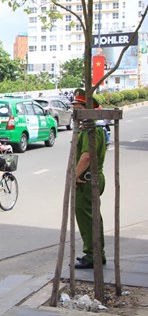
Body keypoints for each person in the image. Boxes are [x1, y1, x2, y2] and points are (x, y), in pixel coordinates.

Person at [71, 92, 107, 269]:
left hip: (86, 180)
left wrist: (74, 176)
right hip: (92, 178)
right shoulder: (94, 128)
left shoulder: (91, 130)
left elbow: (87, 156)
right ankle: (98, 253)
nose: (74, 113)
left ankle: (93, 255)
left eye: (78, 109)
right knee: (93, 216)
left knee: (87, 218)